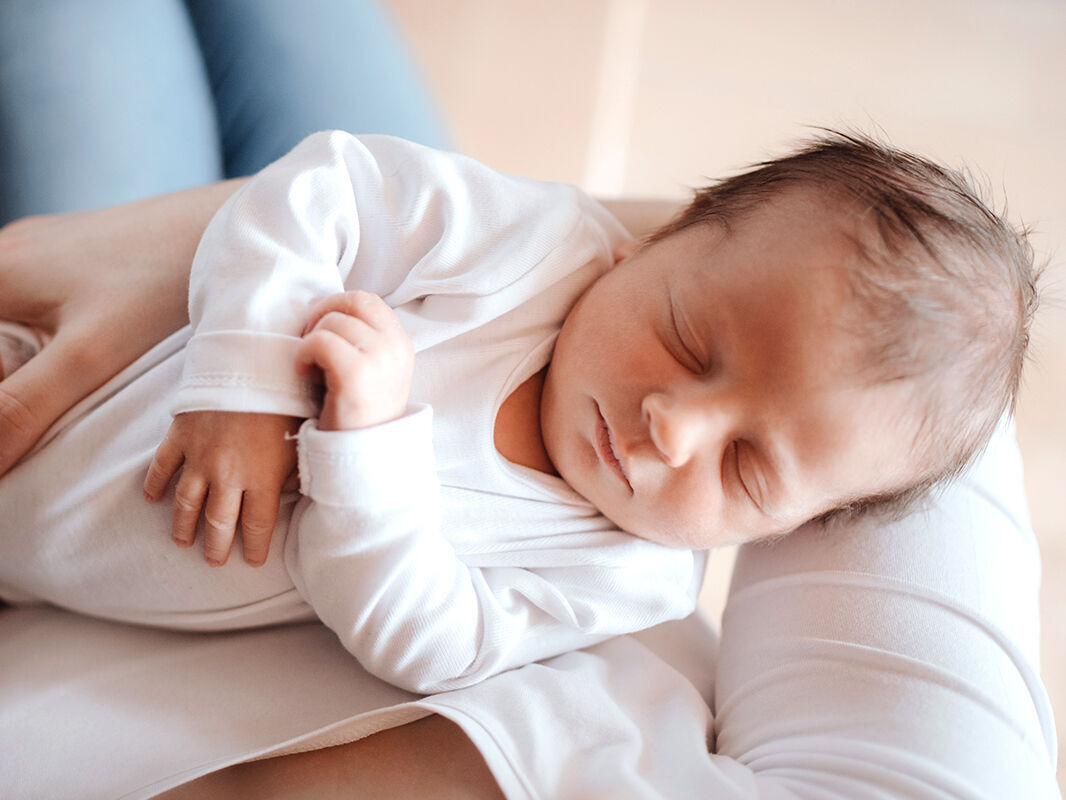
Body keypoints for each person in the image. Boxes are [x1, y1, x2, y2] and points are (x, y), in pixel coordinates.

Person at [0, 2, 1058, 798]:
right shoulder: (533, 243)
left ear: (792, 528)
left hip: (53, 573)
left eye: (743, 468)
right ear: (664, 232)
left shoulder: (626, 574)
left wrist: (367, 457)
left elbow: (436, 639)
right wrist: (241, 379)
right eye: (688, 337)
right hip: (72, 367)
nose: (672, 426)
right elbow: (323, 185)